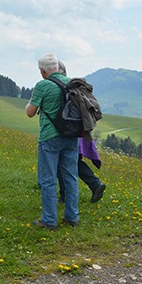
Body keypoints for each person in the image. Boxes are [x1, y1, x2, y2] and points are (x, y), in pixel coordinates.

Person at [26, 53, 79, 230]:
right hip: (71, 135)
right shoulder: (72, 83)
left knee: (48, 180)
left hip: (50, 137)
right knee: (70, 177)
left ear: (42, 71)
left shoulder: (43, 85)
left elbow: (30, 112)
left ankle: (49, 220)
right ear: (57, 67)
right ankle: (72, 217)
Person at [54, 61, 107, 204]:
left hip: (69, 132)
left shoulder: (60, 88)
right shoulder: (75, 89)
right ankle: (95, 185)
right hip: (79, 132)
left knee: (62, 162)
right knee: (75, 161)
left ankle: (66, 195)